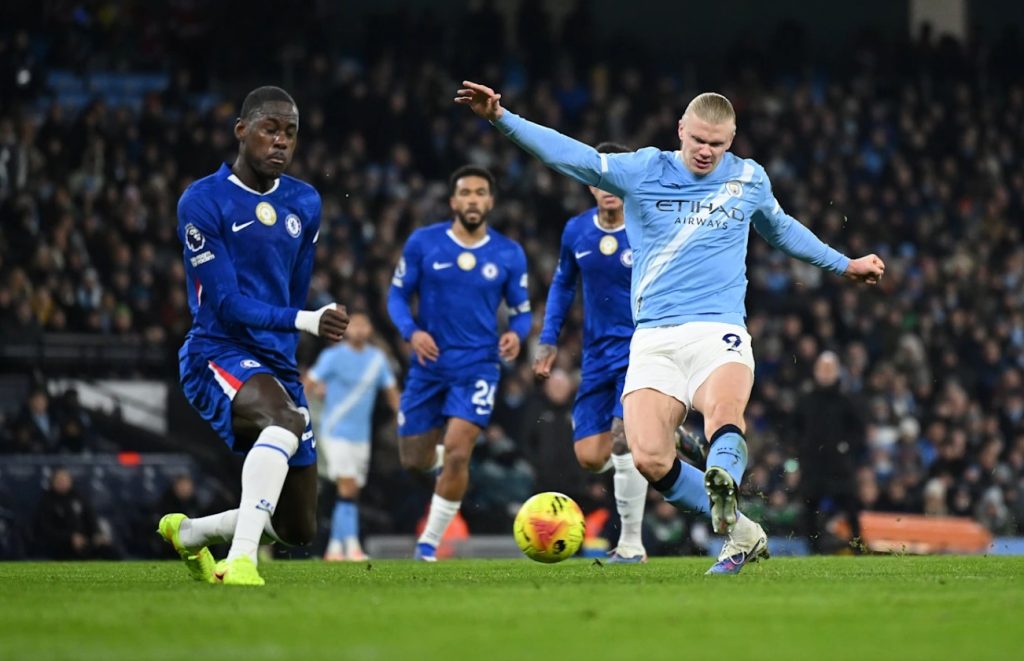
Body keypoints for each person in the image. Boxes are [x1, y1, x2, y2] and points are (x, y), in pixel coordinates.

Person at [456, 81, 885, 574]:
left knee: (722, 410)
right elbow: (569, 157)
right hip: (655, 338)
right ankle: (741, 531)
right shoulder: (643, 169)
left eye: (717, 143)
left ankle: (722, 471)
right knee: (649, 457)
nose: (706, 151)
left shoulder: (748, 179)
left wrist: (844, 264)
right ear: (680, 130)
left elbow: (783, 229)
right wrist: (501, 118)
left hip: (717, 331)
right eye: (698, 139)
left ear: (732, 139)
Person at [157, 86, 349, 587]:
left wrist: (295, 334)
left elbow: (292, 287)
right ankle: (239, 563)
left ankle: (192, 534)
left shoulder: (304, 202)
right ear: (242, 131)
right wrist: (307, 320)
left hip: (277, 362)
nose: (280, 141)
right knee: (283, 420)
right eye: (269, 129)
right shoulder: (203, 200)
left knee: (297, 529)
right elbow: (225, 303)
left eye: (290, 132)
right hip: (217, 350)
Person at [387, 164, 531, 561]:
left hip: (479, 366)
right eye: (465, 192)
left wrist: (515, 335)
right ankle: (435, 464)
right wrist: (411, 332)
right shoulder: (423, 243)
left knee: (457, 451)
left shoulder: (508, 253)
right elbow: (396, 296)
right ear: (453, 202)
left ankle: (429, 544)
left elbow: (521, 312)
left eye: (480, 192)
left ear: (491, 201)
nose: (472, 199)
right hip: (429, 365)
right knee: (414, 460)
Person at [533, 142, 650, 563]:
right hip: (596, 356)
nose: (609, 188)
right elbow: (563, 286)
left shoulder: (647, 225)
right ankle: (661, 438)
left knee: (622, 441)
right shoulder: (576, 231)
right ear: (591, 184)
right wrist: (548, 339)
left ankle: (632, 546)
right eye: (602, 179)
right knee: (590, 456)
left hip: (641, 350)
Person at [305, 310, 400, 561]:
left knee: (351, 491)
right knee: (347, 486)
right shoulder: (332, 357)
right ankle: (353, 546)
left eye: (363, 324)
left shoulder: (377, 360)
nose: (358, 329)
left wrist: (403, 419)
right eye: (354, 324)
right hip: (335, 431)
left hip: (361, 436)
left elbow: (391, 392)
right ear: (346, 330)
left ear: (369, 330)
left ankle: (335, 549)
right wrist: (302, 409)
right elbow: (309, 383)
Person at [794, 351, 866, 553]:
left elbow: (858, 431)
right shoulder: (806, 399)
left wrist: (846, 448)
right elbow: (794, 427)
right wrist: (801, 447)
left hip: (839, 465)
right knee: (809, 508)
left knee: (851, 506)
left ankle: (858, 547)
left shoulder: (846, 400)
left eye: (829, 369)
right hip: (812, 465)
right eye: (822, 369)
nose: (825, 373)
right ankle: (813, 550)